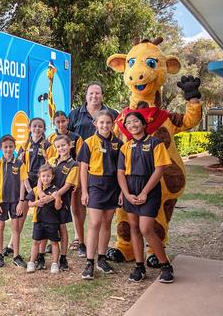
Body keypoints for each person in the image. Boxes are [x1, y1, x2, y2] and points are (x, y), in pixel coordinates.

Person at [117, 112, 175, 283]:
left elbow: (159, 170)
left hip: (148, 190)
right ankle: (139, 266)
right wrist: (127, 194)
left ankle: (165, 266)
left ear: (143, 124)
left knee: (146, 228)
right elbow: (120, 173)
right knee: (134, 228)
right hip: (130, 189)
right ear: (126, 127)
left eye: (136, 121)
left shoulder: (155, 143)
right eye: (128, 122)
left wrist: (144, 193)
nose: (132, 124)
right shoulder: (125, 147)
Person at [67, 82, 118, 257]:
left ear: (102, 95)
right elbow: (65, 137)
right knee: (79, 204)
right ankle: (79, 238)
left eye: (97, 93)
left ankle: (99, 248)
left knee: (101, 216)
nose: (94, 96)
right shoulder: (75, 114)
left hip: (104, 169)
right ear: (86, 95)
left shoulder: (113, 114)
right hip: (79, 166)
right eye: (91, 93)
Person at [77, 110, 123, 280]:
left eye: (108, 123)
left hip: (112, 186)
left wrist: (120, 192)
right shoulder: (89, 143)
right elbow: (83, 169)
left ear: (112, 124)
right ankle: (89, 261)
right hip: (95, 185)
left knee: (106, 223)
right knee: (95, 223)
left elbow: (121, 170)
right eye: (101, 123)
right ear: (95, 124)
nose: (105, 126)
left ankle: (101, 259)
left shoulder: (118, 143)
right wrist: (85, 191)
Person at [3, 118, 49, 257]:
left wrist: (43, 185)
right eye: (34, 126)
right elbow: (19, 165)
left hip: (42, 182)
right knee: (20, 214)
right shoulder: (24, 144)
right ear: (29, 128)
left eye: (40, 126)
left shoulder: (47, 145)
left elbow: (49, 166)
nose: (37, 129)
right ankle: (11, 245)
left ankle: (43, 248)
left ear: (44, 129)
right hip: (27, 181)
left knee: (44, 215)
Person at [46, 111, 85, 257]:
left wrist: (80, 181)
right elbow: (49, 162)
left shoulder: (76, 138)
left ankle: (80, 242)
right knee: (53, 211)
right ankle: (53, 241)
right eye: (58, 122)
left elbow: (81, 161)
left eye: (63, 121)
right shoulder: (50, 138)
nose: (61, 124)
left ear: (68, 121)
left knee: (76, 209)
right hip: (56, 180)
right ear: (54, 123)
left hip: (72, 178)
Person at [0, 134, 28, 268]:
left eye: (11, 147)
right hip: (1, 201)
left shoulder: (19, 163)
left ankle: (16, 256)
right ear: (1, 148)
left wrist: (21, 202)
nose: (8, 149)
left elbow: (23, 183)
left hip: (16, 201)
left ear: (15, 147)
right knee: (0, 226)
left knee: (16, 228)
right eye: (5, 147)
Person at [47, 135, 80, 271]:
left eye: (63, 145)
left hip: (62, 201)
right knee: (50, 226)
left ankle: (63, 257)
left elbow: (67, 186)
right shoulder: (51, 161)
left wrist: (54, 196)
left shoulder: (74, 165)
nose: (61, 148)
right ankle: (46, 256)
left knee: (62, 227)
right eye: (58, 146)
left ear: (70, 145)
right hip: (48, 201)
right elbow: (43, 177)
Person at [25, 164, 62, 274]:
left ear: (53, 177)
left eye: (48, 176)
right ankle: (31, 262)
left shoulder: (55, 190)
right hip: (38, 221)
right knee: (36, 242)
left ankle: (55, 263)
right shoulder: (36, 190)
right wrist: (35, 203)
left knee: (54, 242)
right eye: (43, 176)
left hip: (52, 221)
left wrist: (57, 198)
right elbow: (29, 203)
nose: (46, 178)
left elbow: (58, 207)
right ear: (40, 177)